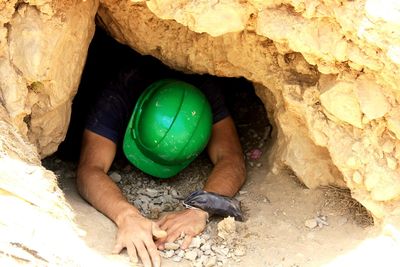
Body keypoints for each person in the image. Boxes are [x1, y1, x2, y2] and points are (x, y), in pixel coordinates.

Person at [76, 59, 246, 267]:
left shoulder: (204, 97)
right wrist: (126, 216)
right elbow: (89, 168)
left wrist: (200, 208)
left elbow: (232, 158)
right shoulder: (117, 94)